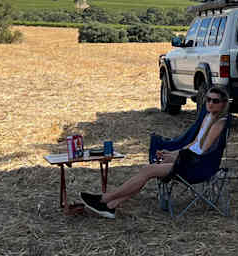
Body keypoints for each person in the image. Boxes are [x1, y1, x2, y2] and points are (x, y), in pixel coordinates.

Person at [81, 87, 230, 219]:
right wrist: (173, 152)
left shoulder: (219, 123)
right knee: (151, 168)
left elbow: (202, 151)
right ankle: (110, 205)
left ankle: (104, 199)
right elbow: (194, 144)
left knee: (148, 170)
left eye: (215, 101)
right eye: (208, 99)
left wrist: (176, 156)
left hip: (198, 167)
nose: (210, 103)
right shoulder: (208, 117)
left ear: (223, 103)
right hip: (189, 160)